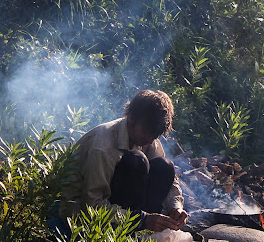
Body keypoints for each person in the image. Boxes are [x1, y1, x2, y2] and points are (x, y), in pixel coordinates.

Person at [57, 89, 188, 233]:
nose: (150, 140)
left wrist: (176, 207)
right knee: (137, 161)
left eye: (154, 135)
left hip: (122, 207)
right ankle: (131, 229)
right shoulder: (102, 147)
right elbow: (91, 205)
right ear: (131, 118)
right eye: (147, 133)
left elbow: (168, 178)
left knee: (165, 166)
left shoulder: (147, 136)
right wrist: (142, 219)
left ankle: (142, 227)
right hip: (81, 213)